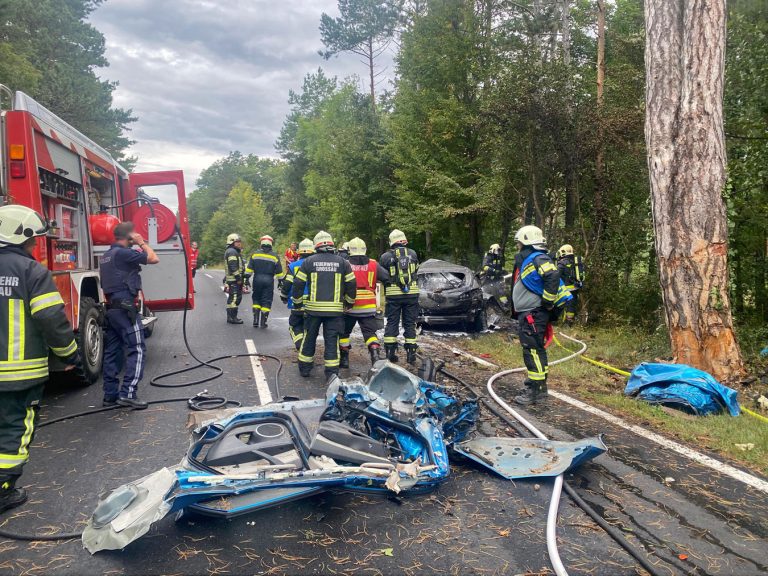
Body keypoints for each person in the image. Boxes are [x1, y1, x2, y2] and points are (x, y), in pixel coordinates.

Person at [0, 205, 82, 514]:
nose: (35, 246)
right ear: (20, 236)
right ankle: (3, 490)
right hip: (17, 375)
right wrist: (71, 355)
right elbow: (51, 320)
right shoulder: (31, 272)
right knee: (14, 429)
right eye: (32, 240)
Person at [100, 222, 160, 410]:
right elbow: (153, 258)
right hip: (125, 308)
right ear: (130, 236)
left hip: (112, 309)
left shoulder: (106, 255)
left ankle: (110, 395)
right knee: (138, 348)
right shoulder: (124, 253)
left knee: (112, 351)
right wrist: (141, 243)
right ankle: (128, 393)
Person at [511, 225, 571, 405]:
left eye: (519, 243)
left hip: (534, 313)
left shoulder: (539, 257)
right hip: (531, 313)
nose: (518, 247)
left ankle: (536, 390)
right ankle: (537, 385)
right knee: (534, 348)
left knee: (533, 350)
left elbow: (552, 276)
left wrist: (547, 301)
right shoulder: (531, 259)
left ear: (527, 242)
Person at [292, 231, 356, 380]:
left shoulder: (309, 261)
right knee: (332, 341)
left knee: (309, 338)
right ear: (331, 244)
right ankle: (332, 373)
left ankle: (305, 368)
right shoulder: (342, 262)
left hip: (313, 310)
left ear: (317, 245)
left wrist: (297, 302)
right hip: (335, 311)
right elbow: (351, 283)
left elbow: (298, 283)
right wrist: (349, 301)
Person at [339, 237, 390, 367]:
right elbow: (387, 277)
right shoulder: (373, 264)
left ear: (349, 250)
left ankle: (344, 360)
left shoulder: (345, 263)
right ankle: (375, 356)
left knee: (344, 333)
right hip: (368, 305)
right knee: (370, 333)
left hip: (350, 306)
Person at [380, 229, 420, 364]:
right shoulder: (413, 253)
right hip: (412, 294)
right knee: (410, 323)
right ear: (404, 241)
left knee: (392, 322)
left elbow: (382, 275)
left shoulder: (385, 257)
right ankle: (411, 355)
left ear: (392, 242)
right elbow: (416, 271)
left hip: (393, 295)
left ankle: (390, 354)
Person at [280, 238, 314, 350]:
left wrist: (284, 296)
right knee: (309, 328)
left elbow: (288, 283)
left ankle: (300, 344)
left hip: (297, 303)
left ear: (299, 252)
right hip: (313, 304)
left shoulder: (293, 266)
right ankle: (307, 347)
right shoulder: (317, 265)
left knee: (294, 326)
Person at [244, 235, 282, 328]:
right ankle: (263, 322)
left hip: (257, 279)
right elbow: (279, 272)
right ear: (271, 244)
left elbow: (249, 270)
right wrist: (280, 282)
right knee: (267, 300)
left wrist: (246, 279)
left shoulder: (255, 254)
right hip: (269, 280)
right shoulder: (275, 256)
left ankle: (255, 320)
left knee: (256, 298)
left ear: (261, 244)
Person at [556, 244, 585, 325]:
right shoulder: (576, 262)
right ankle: (569, 322)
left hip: (565, 289)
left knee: (560, 304)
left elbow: (556, 275)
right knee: (571, 306)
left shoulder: (562, 263)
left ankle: (562, 321)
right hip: (575, 288)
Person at [224, 233, 245, 324]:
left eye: (239, 241)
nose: (239, 243)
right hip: (234, 280)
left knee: (232, 298)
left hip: (233, 280)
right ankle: (233, 318)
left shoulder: (232, 251)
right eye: (237, 242)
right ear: (232, 242)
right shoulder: (232, 252)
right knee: (235, 299)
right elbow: (233, 266)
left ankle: (230, 317)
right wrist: (238, 278)